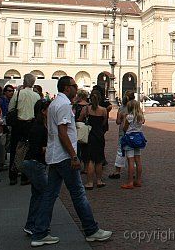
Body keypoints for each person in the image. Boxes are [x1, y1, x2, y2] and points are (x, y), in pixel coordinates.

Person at [31, 76, 112, 246]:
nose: (77, 88)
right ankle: (91, 230)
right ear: (67, 88)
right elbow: (63, 133)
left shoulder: (54, 104)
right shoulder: (63, 105)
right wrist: (74, 156)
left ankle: (39, 232)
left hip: (55, 156)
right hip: (64, 157)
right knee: (78, 194)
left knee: (50, 194)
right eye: (75, 86)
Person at [21, 99, 50, 236]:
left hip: (33, 163)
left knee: (37, 195)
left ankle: (31, 224)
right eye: (48, 109)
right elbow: (38, 148)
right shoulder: (39, 127)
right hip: (35, 163)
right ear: (43, 111)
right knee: (46, 195)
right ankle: (39, 227)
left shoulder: (37, 125)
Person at [9, 74, 41, 185]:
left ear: (24, 81)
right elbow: (38, 112)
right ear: (33, 82)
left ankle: (12, 176)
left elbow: (11, 108)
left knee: (14, 149)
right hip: (31, 125)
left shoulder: (17, 94)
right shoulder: (36, 96)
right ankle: (25, 176)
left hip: (18, 124)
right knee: (29, 151)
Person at [79, 91, 108, 190]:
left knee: (90, 159)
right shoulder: (104, 110)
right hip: (99, 135)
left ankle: (90, 182)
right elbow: (104, 123)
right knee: (99, 160)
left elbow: (79, 119)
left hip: (90, 135)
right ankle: (99, 180)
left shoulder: (86, 109)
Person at [120, 99, 145, 189]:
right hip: (138, 139)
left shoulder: (129, 117)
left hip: (130, 139)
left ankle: (130, 182)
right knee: (138, 160)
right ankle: (138, 180)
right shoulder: (141, 117)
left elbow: (124, 128)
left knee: (130, 161)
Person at [0, 85, 15, 171]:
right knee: (2, 143)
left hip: (7, 124)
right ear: (5, 92)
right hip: (3, 124)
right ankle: (1, 162)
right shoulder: (2, 101)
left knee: (5, 144)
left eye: (12, 91)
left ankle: (2, 161)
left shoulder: (10, 100)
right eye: (9, 91)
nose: (11, 92)